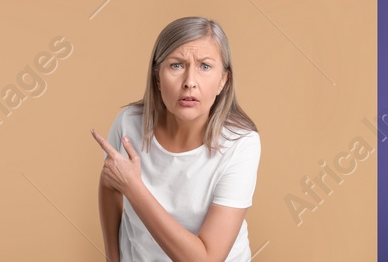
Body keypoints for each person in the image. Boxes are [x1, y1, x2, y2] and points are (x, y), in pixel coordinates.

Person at [92, 16, 261, 262]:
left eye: (205, 66)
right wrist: (112, 259)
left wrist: (134, 188)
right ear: (157, 77)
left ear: (223, 81)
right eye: (176, 65)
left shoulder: (242, 143)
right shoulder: (128, 122)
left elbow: (206, 260)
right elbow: (109, 184)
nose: (189, 83)